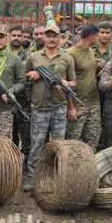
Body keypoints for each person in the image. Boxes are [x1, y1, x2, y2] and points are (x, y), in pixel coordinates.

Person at [24, 24, 76, 190]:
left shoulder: (67, 58)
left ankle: (55, 177)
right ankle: (32, 177)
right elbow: (25, 77)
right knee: (37, 144)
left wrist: (66, 83)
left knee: (58, 145)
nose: (51, 39)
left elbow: (74, 83)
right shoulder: (34, 57)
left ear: (60, 38)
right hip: (39, 107)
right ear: (43, 38)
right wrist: (32, 75)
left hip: (59, 107)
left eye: (55, 36)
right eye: (48, 36)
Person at [65, 25, 102, 150]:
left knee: (93, 138)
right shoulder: (71, 54)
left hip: (93, 103)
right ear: (92, 36)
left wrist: (98, 67)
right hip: (78, 104)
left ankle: (89, 161)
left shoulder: (90, 51)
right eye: (97, 36)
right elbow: (67, 83)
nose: (98, 39)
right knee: (73, 140)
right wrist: (71, 107)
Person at [8, 25, 32, 165]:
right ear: (9, 36)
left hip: (24, 101)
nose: (16, 38)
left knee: (26, 135)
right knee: (10, 135)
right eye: (14, 35)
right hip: (7, 101)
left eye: (19, 35)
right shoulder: (3, 53)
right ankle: (11, 164)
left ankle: (26, 166)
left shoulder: (29, 55)